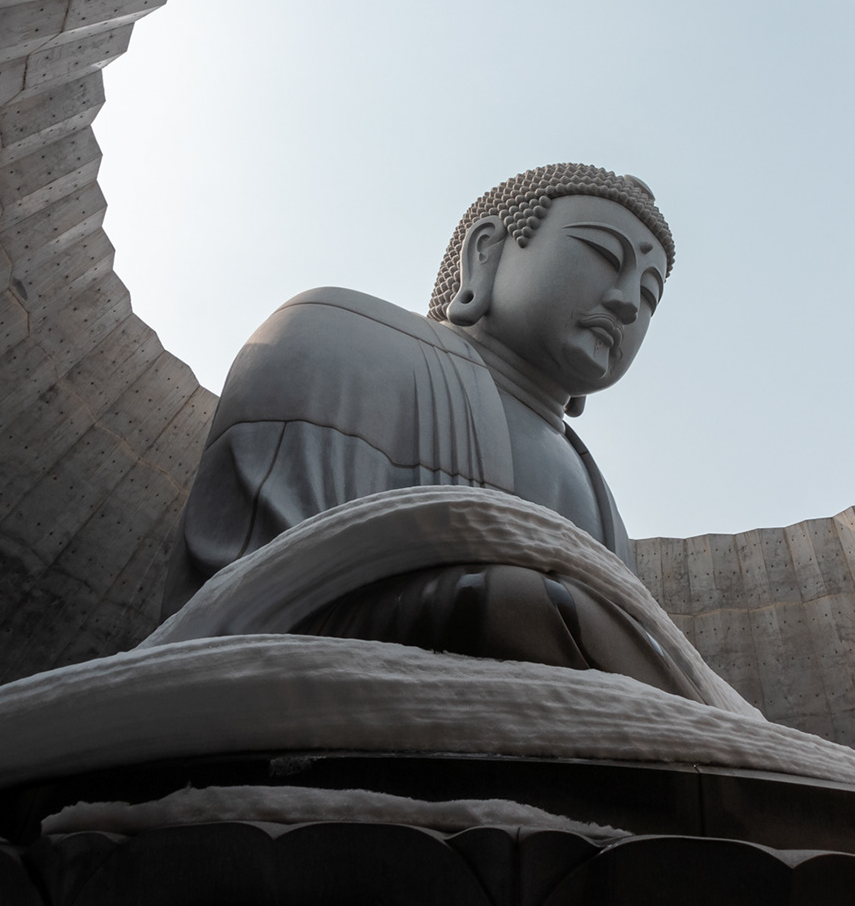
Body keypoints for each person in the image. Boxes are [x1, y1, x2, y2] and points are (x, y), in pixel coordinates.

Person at [160, 163, 701, 698]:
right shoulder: (337, 337)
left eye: (649, 294)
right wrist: (491, 607)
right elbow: (239, 604)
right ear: (486, 253)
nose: (628, 302)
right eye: (605, 256)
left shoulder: (604, 506)